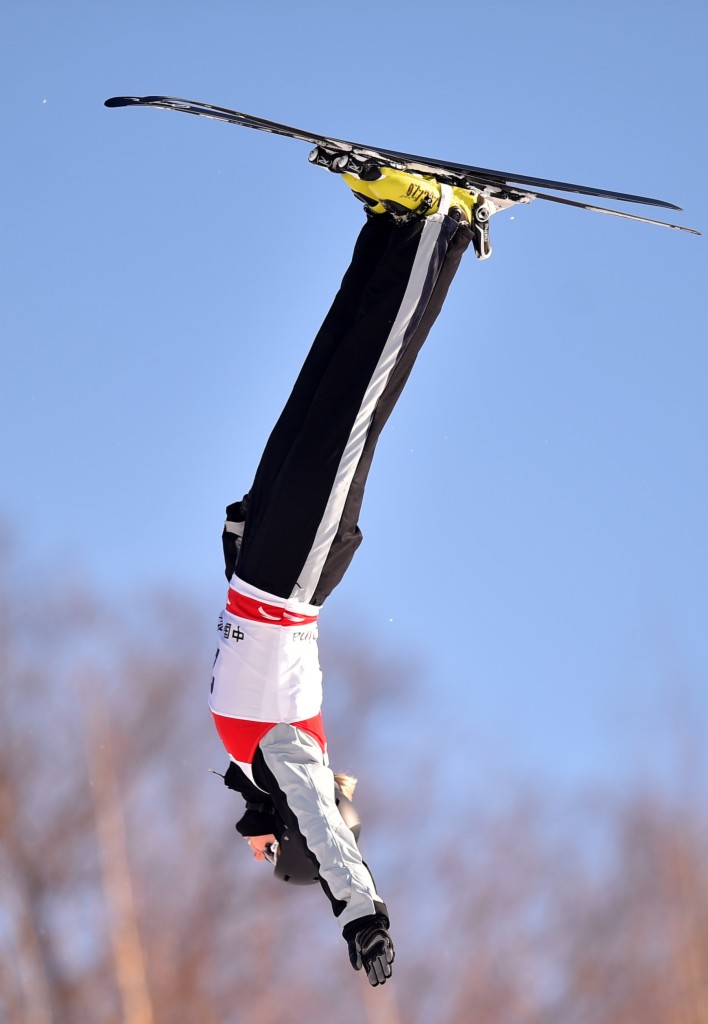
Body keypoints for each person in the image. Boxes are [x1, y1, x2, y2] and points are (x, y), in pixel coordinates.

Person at [210, 164, 479, 987]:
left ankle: (388, 228)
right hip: (295, 573)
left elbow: (234, 641)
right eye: (271, 855)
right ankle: (444, 230)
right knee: (362, 392)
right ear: (288, 830)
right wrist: (359, 910)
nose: (259, 853)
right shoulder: (289, 761)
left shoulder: (248, 761)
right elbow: (330, 834)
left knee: (322, 377)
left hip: (262, 558)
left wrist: (234, 540)